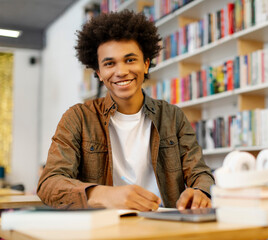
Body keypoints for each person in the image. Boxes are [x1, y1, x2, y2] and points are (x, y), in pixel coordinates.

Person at [37, 10, 215, 211]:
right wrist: (103, 194)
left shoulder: (173, 116)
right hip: (104, 228)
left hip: (165, 225)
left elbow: (200, 173)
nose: (121, 71)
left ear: (146, 64)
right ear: (99, 73)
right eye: (109, 63)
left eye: (130, 60)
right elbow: (49, 184)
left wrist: (201, 192)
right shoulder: (78, 118)